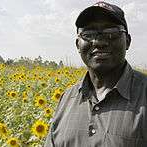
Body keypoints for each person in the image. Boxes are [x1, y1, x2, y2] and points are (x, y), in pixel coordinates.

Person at [44, 1, 147, 147]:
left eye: (111, 33)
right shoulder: (67, 98)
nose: (98, 42)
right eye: (88, 34)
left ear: (128, 41)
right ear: (78, 45)